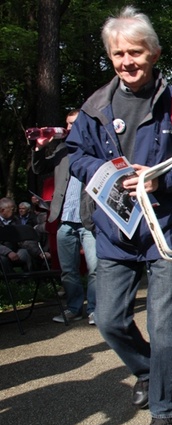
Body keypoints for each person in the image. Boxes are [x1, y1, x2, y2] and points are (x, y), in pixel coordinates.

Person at [66, 7, 172, 425]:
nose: (127, 61)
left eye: (135, 52)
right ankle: (150, 371)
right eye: (118, 54)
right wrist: (109, 174)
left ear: (154, 53)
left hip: (165, 229)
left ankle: (166, 409)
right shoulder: (95, 106)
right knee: (109, 319)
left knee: (162, 324)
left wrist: (156, 177)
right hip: (114, 229)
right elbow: (76, 156)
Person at [32, 109, 98, 325]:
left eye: (75, 123)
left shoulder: (96, 149)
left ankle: (95, 310)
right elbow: (39, 168)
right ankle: (73, 308)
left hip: (89, 220)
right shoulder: (63, 149)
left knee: (95, 268)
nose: (71, 128)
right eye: (68, 124)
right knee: (68, 271)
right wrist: (39, 148)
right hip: (63, 220)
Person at [0, 197, 40, 272]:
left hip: (16, 249)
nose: (15, 211)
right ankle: (12, 280)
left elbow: (24, 239)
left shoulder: (16, 221)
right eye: (12, 209)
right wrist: (8, 252)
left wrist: (37, 252)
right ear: (2, 210)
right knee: (2, 260)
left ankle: (30, 278)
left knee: (26, 253)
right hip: (2, 252)